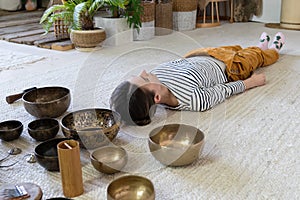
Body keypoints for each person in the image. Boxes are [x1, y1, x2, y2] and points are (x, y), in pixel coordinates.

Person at [110, 32, 286, 126]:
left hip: (203, 55)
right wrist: (250, 83)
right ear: (157, 97)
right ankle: (272, 51)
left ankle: (259, 47)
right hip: (230, 68)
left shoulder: (156, 80)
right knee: (252, 58)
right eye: (144, 77)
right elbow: (224, 90)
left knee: (235, 47)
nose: (144, 71)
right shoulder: (193, 99)